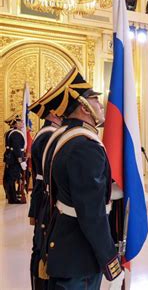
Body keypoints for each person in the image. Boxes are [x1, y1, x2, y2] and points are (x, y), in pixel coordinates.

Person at [41, 68, 123, 289]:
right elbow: (91, 214)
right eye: (95, 100)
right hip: (79, 254)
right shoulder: (84, 147)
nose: (101, 105)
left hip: (65, 241)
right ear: (83, 107)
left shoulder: (64, 136)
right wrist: (110, 259)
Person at [28, 92, 63, 290]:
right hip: (46, 193)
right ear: (52, 113)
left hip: (42, 192)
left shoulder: (47, 132)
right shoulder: (50, 135)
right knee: (42, 247)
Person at [3, 113, 27, 204]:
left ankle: (11, 196)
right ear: (16, 123)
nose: (22, 123)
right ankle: (12, 199)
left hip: (11, 158)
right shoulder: (16, 134)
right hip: (14, 159)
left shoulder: (12, 132)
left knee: (10, 178)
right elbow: (17, 149)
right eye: (20, 121)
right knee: (12, 179)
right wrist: (21, 161)